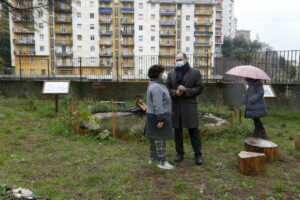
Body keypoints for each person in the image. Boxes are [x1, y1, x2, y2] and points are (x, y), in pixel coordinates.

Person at [167, 53, 204, 165]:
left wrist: (186, 90)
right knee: (177, 132)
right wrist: (175, 93)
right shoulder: (171, 74)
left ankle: (198, 155)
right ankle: (179, 153)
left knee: (194, 131)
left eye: (180, 59)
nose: (178, 61)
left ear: (186, 59)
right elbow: (167, 89)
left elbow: (200, 88)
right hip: (176, 107)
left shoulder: (195, 72)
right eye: (177, 60)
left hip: (189, 106)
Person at [145, 64, 174, 170]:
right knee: (160, 138)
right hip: (158, 116)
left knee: (153, 138)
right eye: (163, 72)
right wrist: (160, 119)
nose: (165, 74)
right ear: (158, 74)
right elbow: (158, 104)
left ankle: (153, 158)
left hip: (153, 115)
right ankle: (161, 162)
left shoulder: (156, 84)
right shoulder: (156, 87)